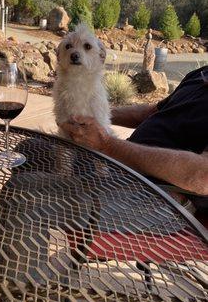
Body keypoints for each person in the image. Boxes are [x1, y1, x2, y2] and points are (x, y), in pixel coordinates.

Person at [60, 66, 208, 212]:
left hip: (160, 196)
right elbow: (150, 112)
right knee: (38, 151)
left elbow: (202, 176)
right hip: (120, 168)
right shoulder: (200, 74)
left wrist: (107, 144)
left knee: (46, 200)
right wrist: (93, 114)